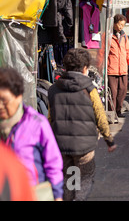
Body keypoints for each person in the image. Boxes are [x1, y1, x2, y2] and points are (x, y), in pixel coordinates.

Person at [48, 48, 116, 201]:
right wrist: (109, 140)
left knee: (69, 177)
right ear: (85, 68)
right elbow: (100, 116)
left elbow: (50, 118)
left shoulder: (53, 89)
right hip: (84, 147)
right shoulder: (89, 89)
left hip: (61, 145)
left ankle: (69, 198)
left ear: (65, 67)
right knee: (84, 177)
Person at [0, 67, 63, 201]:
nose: (0, 106)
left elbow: (53, 163)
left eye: (4, 100)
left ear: (18, 96)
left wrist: (57, 195)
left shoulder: (36, 124)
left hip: (33, 194)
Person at [107, 14, 129, 118]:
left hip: (123, 69)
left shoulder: (124, 36)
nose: (121, 27)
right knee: (112, 92)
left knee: (122, 91)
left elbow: (128, 52)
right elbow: (103, 53)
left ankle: (118, 111)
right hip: (111, 69)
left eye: (123, 25)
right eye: (119, 24)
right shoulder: (108, 35)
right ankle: (112, 112)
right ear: (114, 23)